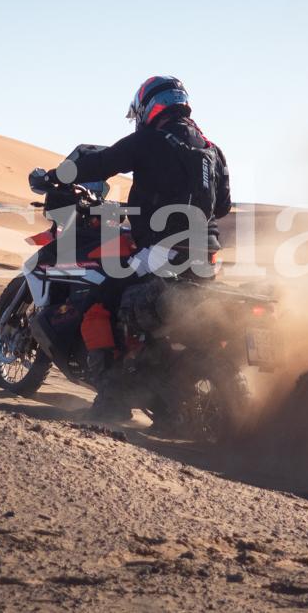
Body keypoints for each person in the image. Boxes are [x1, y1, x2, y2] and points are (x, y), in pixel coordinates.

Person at [32, 75, 232, 419]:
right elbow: (223, 206)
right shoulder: (212, 150)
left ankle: (112, 400)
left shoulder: (150, 140)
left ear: (150, 106)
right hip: (206, 260)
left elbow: (101, 163)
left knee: (97, 300)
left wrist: (55, 176)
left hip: (163, 252)